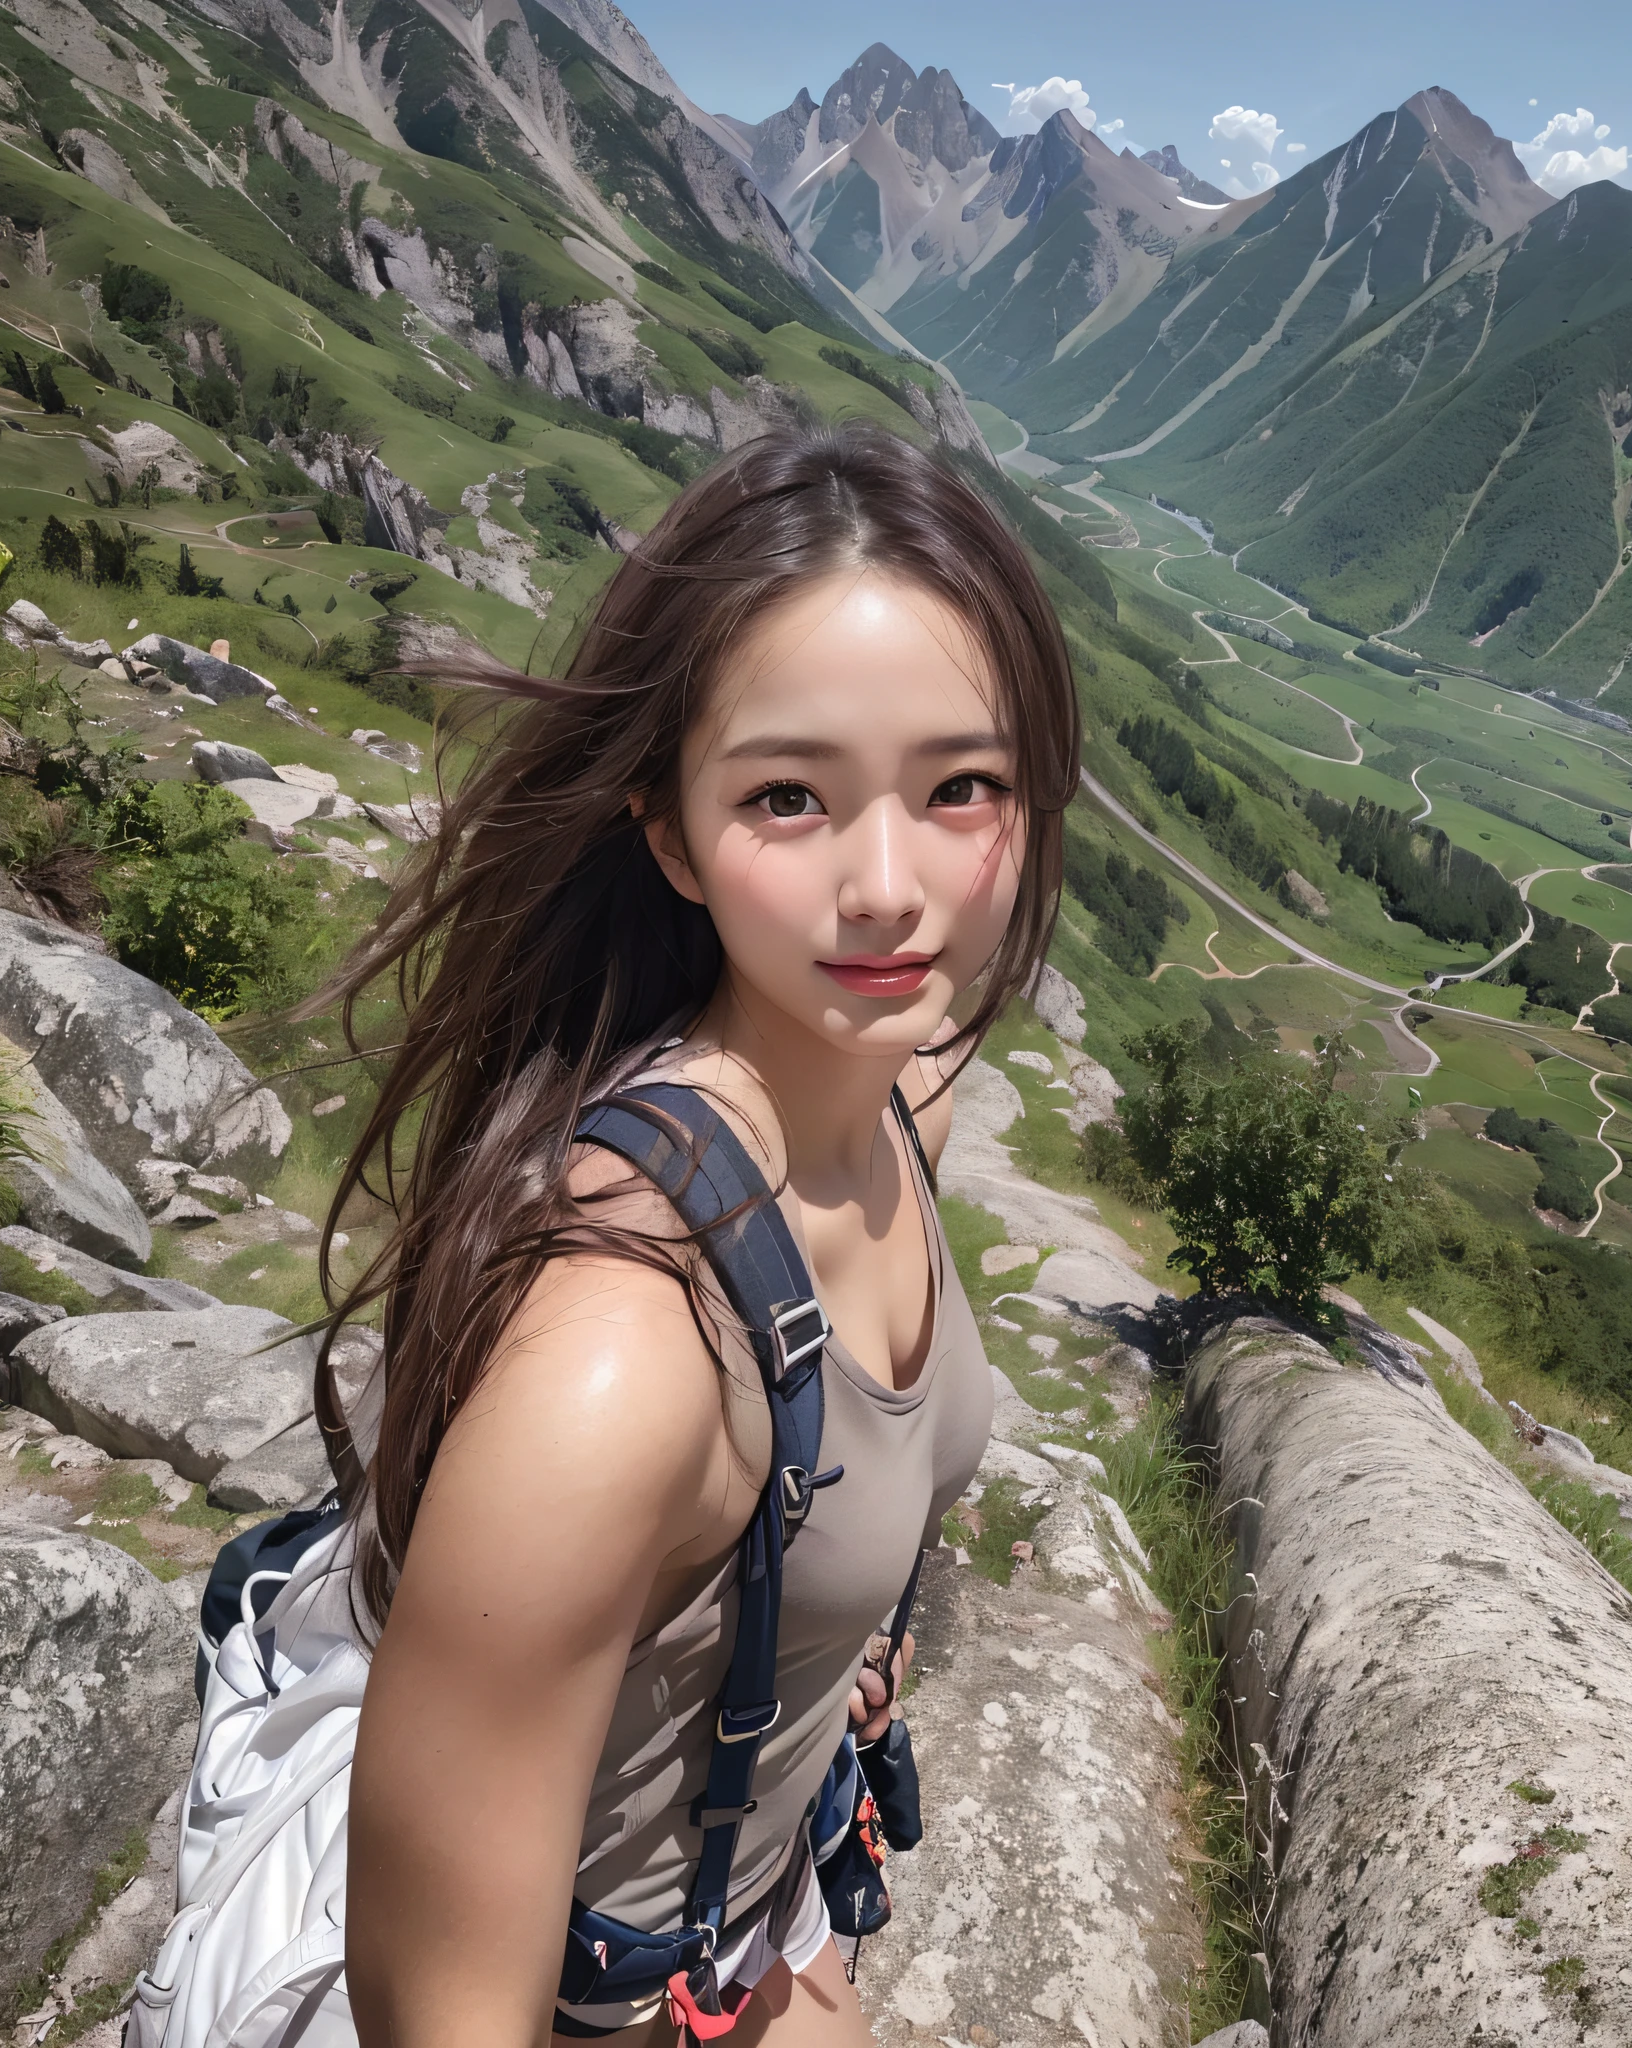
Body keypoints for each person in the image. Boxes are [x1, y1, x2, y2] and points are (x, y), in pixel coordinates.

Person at [311, 422, 1081, 2048]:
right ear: (667, 831)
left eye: (965, 788)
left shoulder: (892, 1098)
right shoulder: (620, 1357)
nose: (891, 887)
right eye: (790, 798)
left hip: (772, 1907)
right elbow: (441, 2017)